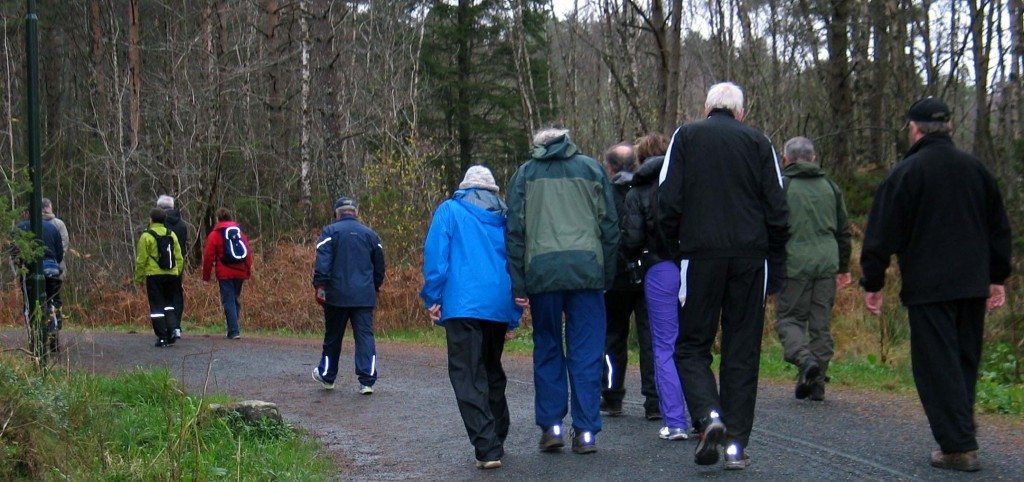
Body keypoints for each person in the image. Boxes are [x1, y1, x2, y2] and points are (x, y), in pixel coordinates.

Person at [860, 97, 1012, 473]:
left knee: (936, 364)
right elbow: (998, 228)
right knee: (963, 360)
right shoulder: (977, 170)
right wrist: (997, 277)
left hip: (929, 286)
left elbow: (881, 232)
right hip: (972, 283)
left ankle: (958, 445)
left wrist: (873, 280)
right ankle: (960, 430)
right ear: (949, 128)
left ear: (914, 129)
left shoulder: (907, 173)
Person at [657, 82, 789, 470]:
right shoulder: (760, 142)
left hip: (700, 255)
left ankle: (708, 415)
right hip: (751, 257)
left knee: (691, 345)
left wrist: (675, 249)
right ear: (741, 112)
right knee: (742, 350)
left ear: (706, 107)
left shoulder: (686, 136)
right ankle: (735, 445)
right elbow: (778, 209)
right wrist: (775, 266)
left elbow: (667, 200)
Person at [506, 127, 619, 455]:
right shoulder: (591, 169)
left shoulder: (525, 174)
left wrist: (519, 282)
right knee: (586, 352)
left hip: (542, 273)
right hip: (586, 272)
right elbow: (609, 226)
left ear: (539, 146)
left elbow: (515, 231)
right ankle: (585, 432)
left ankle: (552, 426)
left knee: (548, 347)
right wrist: (606, 275)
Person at [420, 166, 524, 470]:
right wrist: (514, 313)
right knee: (491, 369)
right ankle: (497, 438)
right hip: (497, 304)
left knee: (467, 373)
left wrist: (433, 297)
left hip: (462, 304)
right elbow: (516, 261)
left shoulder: (449, 211)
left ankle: (487, 446)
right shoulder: (505, 218)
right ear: (493, 191)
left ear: (464, 187)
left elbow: (437, 257)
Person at [620, 133, 690, 441]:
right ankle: (706, 415)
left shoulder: (638, 190)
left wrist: (632, 256)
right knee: (695, 344)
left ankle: (675, 420)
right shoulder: (689, 181)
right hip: (693, 266)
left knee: (664, 345)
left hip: (658, 266)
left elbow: (632, 239)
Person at [774, 137, 852, 402]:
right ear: (814, 158)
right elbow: (844, 230)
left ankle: (806, 362)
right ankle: (816, 384)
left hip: (794, 264)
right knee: (820, 326)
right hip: (827, 263)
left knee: (788, 319)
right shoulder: (830, 186)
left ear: (786, 159)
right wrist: (843, 267)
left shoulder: (783, 187)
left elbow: (774, 228)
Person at [600, 142, 660, 420]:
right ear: (635, 165)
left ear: (609, 167)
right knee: (651, 337)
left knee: (613, 337)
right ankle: (654, 400)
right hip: (649, 270)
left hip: (616, 275)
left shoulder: (604, 194)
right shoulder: (650, 189)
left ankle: (612, 396)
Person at [311, 197, 386, 394]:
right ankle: (367, 380)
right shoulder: (371, 235)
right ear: (355, 213)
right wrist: (374, 286)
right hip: (364, 295)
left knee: (333, 336)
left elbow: (323, 263)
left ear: (337, 213)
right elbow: (379, 266)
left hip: (336, 295)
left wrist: (320, 286)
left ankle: (327, 376)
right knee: (365, 336)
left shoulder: (329, 233)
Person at [133, 208, 184, 348]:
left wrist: (138, 278)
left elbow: (141, 260)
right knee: (169, 304)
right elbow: (178, 256)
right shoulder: (171, 234)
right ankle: (172, 330)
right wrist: (177, 272)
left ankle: (161, 336)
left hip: (154, 275)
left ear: (151, 219)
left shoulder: (146, 236)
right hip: (172, 274)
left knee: (157, 307)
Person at [202, 207, 253, 339]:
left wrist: (206, 275)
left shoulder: (215, 235)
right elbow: (247, 253)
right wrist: (247, 270)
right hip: (240, 271)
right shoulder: (239, 233)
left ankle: (234, 331)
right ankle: (234, 328)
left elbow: (208, 256)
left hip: (224, 273)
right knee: (235, 299)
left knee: (228, 300)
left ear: (217, 219)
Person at [15, 209, 65, 336]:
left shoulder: (21, 228)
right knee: (52, 298)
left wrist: (20, 264)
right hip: (52, 268)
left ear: (27, 213)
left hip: (30, 269)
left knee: (29, 301)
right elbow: (59, 254)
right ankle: (54, 325)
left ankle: (33, 335)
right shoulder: (52, 228)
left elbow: (14, 252)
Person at [157, 195, 187, 340]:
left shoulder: (159, 225)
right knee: (177, 296)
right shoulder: (182, 225)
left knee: (162, 297)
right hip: (177, 265)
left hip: (160, 266)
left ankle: (166, 326)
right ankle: (176, 326)